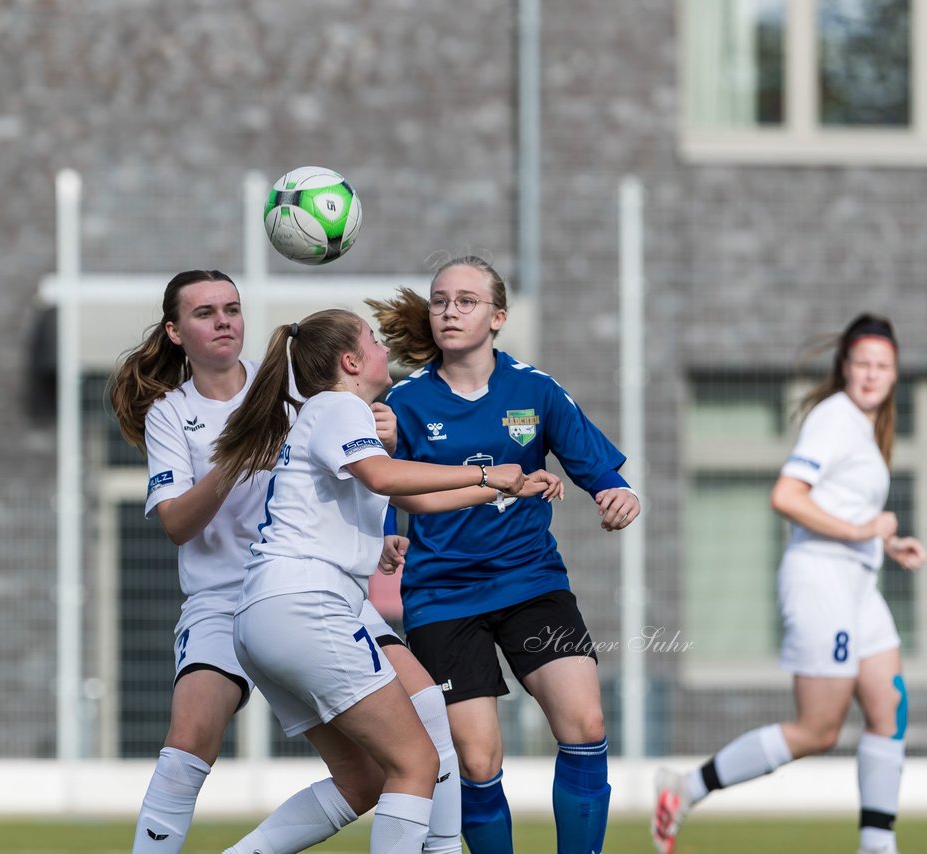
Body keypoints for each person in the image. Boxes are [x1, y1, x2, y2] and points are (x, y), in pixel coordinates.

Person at [109, 271, 476, 853]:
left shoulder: (284, 386)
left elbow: (346, 466)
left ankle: (443, 846)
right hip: (226, 598)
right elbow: (177, 523)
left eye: (232, 307)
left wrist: (382, 475)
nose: (224, 319)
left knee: (409, 727)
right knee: (190, 741)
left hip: (309, 586)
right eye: (205, 313)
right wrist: (236, 457)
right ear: (176, 332)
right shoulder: (170, 415)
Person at [211, 308, 563, 854]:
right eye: (372, 340)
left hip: (273, 612)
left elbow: (413, 497)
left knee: (371, 776)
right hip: (307, 605)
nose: (383, 348)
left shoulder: (332, 414)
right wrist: (488, 472)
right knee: (415, 762)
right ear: (351, 361)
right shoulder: (340, 407)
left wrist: (503, 489)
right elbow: (383, 476)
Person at [365, 255, 641, 854]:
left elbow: (595, 466)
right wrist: (388, 528)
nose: (449, 311)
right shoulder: (404, 403)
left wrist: (616, 492)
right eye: (440, 300)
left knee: (586, 725)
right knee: (477, 758)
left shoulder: (535, 390)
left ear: (498, 317)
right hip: (442, 596)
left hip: (531, 584)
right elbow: (383, 477)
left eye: (466, 300)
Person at [651, 313, 923, 854]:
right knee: (818, 731)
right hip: (821, 580)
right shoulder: (836, 417)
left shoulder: (865, 427)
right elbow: (787, 497)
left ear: (895, 374)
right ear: (844, 367)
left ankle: (877, 846)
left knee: (889, 709)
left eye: (883, 366)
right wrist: (862, 529)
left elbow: (842, 505)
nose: (871, 375)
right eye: (862, 363)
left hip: (857, 584)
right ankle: (685, 790)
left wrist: (884, 542)